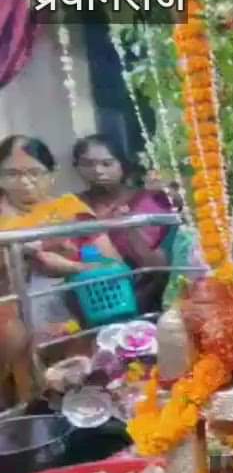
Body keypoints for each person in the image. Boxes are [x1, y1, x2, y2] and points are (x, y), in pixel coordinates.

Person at [0, 135, 119, 403]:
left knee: (78, 387)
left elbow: (115, 267)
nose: (25, 182)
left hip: (71, 320)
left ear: (51, 175)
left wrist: (70, 266)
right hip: (10, 332)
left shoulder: (69, 211)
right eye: (12, 174)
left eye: (34, 173)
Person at [73, 134, 176, 311]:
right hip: (95, 296)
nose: (97, 171)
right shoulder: (72, 204)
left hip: (150, 293)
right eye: (87, 164)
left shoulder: (151, 200)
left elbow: (159, 266)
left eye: (107, 164)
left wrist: (130, 229)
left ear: (123, 165)